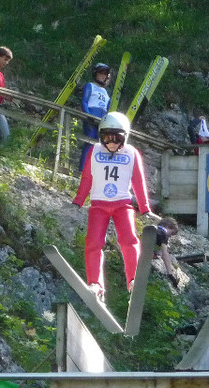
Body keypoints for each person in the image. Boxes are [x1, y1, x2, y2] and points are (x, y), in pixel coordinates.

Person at [72, 111, 152, 300]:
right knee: (93, 243)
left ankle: (133, 279)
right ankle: (95, 283)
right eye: (107, 138)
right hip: (98, 204)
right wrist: (79, 200)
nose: (112, 143)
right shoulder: (95, 151)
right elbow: (87, 177)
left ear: (125, 137)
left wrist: (145, 207)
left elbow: (138, 182)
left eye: (117, 138)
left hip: (122, 204)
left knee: (129, 240)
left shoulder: (131, 153)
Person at [79, 63, 111, 172]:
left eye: (105, 74)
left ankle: (93, 173)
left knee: (99, 146)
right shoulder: (90, 85)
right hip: (91, 118)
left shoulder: (106, 92)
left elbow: (108, 108)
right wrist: (88, 115)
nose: (102, 76)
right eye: (100, 73)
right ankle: (82, 170)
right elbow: (84, 101)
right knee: (89, 142)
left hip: (102, 121)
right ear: (95, 74)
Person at [156, 217, 180, 288]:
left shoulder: (153, 229)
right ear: (167, 226)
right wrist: (170, 274)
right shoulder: (163, 233)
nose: (170, 236)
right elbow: (164, 254)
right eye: (171, 233)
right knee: (170, 257)